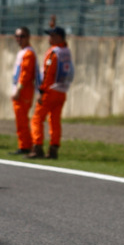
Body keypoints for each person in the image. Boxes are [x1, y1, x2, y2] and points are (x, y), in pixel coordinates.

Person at [29, 26, 74, 160]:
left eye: (52, 36)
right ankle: (53, 150)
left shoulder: (54, 52)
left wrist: (42, 91)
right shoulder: (66, 51)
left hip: (50, 91)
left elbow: (48, 73)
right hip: (62, 90)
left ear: (59, 37)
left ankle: (37, 147)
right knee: (55, 121)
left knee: (37, 119)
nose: (49, 38)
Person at [10, 27, 38, 155]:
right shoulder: (23, 52)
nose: (19, 39)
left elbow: (25, 75)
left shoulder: (28, 53)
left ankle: (26, 146)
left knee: (22, 120)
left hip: (23, 91)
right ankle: (24, 145)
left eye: (22, 36)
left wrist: (18, 90)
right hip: (20, 90)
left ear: (28, 37)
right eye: (17, 36)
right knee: (20, 120)